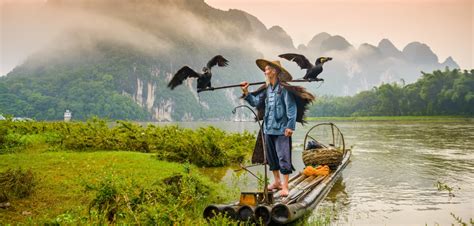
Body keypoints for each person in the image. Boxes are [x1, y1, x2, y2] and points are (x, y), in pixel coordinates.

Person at [240, 59, 297, 197]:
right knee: (271, 158)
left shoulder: (283, 89)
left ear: (275, 71)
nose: (265, 71)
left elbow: (291, 108)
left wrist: (290, 126)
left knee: (283, 157)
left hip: (282, 129)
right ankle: (277, 182)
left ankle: (285, 186)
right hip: (268, 129)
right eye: (265, 69)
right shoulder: (267, 90)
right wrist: (246, 92)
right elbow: (255, 102)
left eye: (268, 69)